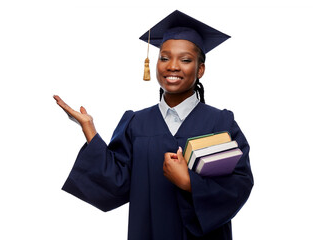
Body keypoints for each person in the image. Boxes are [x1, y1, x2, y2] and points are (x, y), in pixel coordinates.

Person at [54, 10, 253, 240]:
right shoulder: (136, 123)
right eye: (165, 58)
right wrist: (89, 131)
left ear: (200, 70)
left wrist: (190, 183)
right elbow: (116, 184)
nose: (173, 66)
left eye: (185, 60)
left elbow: (239, 185)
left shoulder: (220, 123)